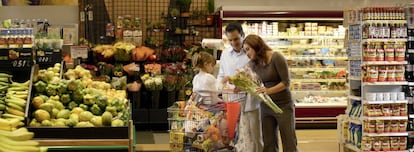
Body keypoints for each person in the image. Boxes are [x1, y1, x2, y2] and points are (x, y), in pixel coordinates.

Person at [243, 34, 299, 152]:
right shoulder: (253, 64)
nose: (247, 53)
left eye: (248, 49)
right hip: (266, 106)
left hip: (283, 105)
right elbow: (253, 82)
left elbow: (286, 82)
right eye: (244, 51)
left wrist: (269, 91)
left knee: (289, 142)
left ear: (256, 45)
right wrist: (243, 83)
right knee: (268, 143)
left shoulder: (276, 57)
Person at [219, 22, 262, 152]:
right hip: (231, 101)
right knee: (234, 135)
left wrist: (244, 84)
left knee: (253, 135)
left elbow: (258, 77)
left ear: (242, 35)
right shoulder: (225, 54)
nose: (233, 43)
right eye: (230, 40)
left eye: (236, 39)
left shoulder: (251, 53)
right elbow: (221, 75)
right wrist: (222, 85)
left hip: (250, 101)